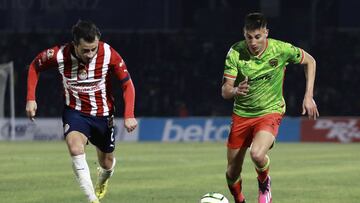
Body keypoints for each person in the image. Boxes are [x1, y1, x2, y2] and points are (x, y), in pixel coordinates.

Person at [25, 20, 138, 203]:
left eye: (93, 49)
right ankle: (92, 199)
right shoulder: (59, 54)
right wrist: (31, 98)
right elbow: (34, 66)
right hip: (75, 112)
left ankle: (103, 177)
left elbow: (127, 84)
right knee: (75, 148)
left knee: (107, 163)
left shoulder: (109, 53)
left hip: (103, 115)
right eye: (85, 50)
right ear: (74, 44)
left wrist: (129, 114)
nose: (90, 54)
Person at [221, 13, 319, 203]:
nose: (253, 42)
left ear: (266, 33)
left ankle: (264, 183)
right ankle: (239, 200)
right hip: (241, 115)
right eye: (249, 37)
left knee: (257, 154)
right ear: (244, 34)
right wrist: (235, 90)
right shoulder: (235, 52)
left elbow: (310, 61)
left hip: (269, 111)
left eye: (257, 37)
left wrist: (308, 96)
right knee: (232, 173)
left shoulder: (280, 49)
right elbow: (225, 91)